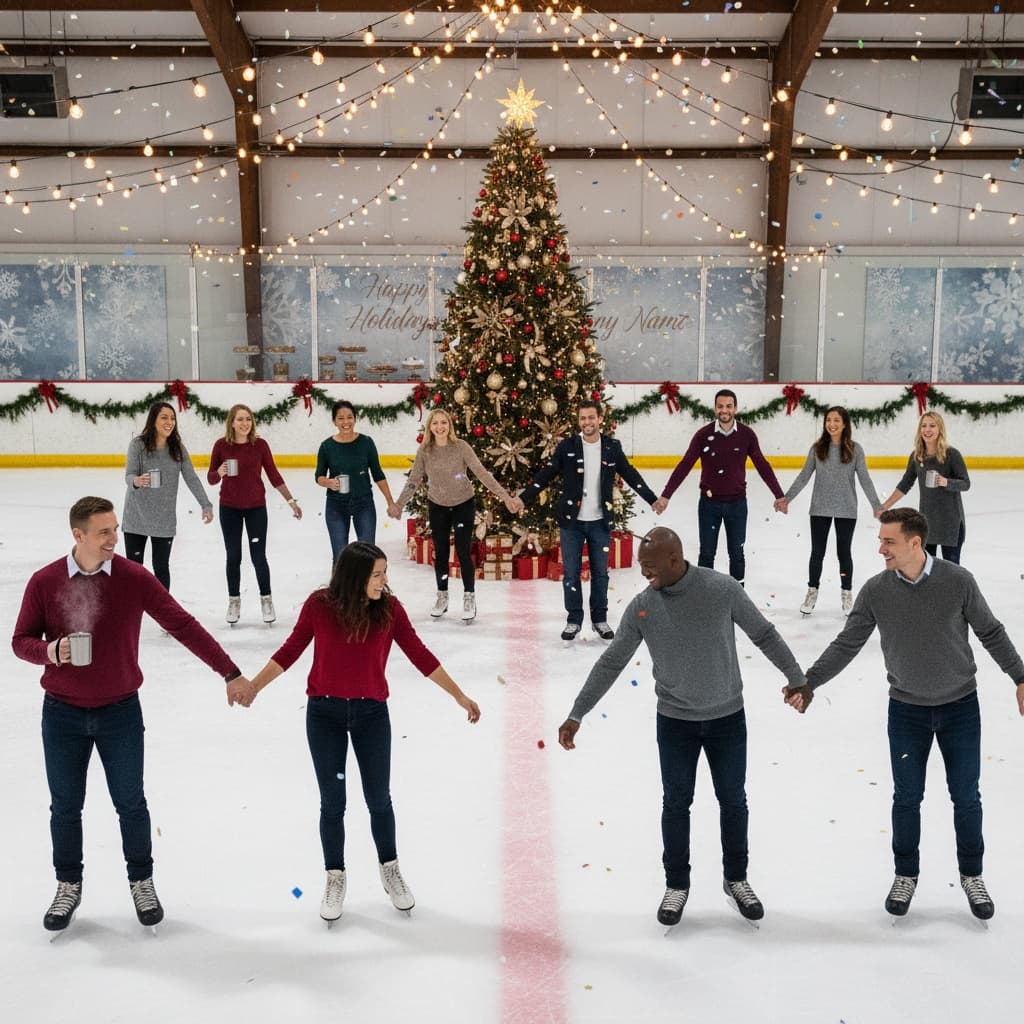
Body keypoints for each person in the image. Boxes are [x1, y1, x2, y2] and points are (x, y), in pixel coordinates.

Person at [11, 496, 253, 933]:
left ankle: (142, 881)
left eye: (115, 529)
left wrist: (229, 671)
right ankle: (68, 885)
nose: (113, 539)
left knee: (130, 803)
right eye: (103, 532)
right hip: (62, 715)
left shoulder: (133, 578)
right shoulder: (45, 582)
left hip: (120, 713)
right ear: (78, 534)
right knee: (65, 806)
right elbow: (20, 641)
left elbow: (182, 624)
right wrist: (51, 651)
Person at [558, 527, 806, 927]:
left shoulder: (721, 589)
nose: (643, 573)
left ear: (675, 560)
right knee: (675, 803)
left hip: (727, 718)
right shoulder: (643, 607)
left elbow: (763, 633)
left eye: (650, 566)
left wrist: (796, 677)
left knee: (733, 801)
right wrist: (577, 713)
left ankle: (736, 879)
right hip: (675, 723)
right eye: (641, 566)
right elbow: (612, 662)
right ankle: (676, 884)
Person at [784, 508, 1024, 921]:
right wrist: (810, 682)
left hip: (960, 708)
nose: (881, 549)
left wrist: (1020, 676)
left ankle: (972, 875)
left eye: (889, 542)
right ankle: (905, 874)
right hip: (907, 711)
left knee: (966, 796)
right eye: (881, 541)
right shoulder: (877, 591)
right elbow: (847, 643)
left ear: (915, 543)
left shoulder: (958, 581)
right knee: (907, 797)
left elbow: (991, 632)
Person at [238, 541, 480, 923]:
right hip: (324, 715)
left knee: (379, 799)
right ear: (354, 577)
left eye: (384, 573)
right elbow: (290, 650)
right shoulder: (319, 606)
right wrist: (254, 685)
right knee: (332, 803)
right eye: (377, 574)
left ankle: (390, 869)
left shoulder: (390, 610)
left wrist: (459, 695)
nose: (383, 581)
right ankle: (335, 876)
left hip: (371, 716)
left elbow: (420, 655)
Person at [519, 400, 664, 641]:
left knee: (600, 573)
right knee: (571, 574)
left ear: (600, 419)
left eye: (591, 417)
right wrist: (523, 498)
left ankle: (599, 619)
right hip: (572, 523)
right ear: (579, 421)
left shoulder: (611, 447)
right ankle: (574, 620)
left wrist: (652, 499)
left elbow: (630, 474)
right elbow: (546, 475)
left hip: (600, 522)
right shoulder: (567, 447)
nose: (587, 422)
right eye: (583, 418)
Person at [389, 408, 524, 622]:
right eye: (435, 423)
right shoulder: (425, 451)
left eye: (443, 422)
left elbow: (482, 473)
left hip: (463, 504)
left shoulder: (461, 447)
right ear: (430, 427)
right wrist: (399, 504)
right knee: (441, 552)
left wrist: (506, 497)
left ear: (449, 425)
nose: (440, 427)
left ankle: (469, 597)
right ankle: (442, 596)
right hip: (438, 506)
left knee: (463, 550)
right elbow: (414, 480)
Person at [659, 389, 784, 585]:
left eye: (728, 406)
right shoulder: (703, 435)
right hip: (709, 505)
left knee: (737, 553)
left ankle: (737, 595)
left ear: (735, 408)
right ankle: (705, 595)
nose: (724, 410)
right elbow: (685, 465)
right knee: (707, 553)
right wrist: (666, 495)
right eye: (720, 406)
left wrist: (779, 495)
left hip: (737, 505)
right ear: (715, 408)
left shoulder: (746, 435)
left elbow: (762, 465)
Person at [774, 406, 881, 616]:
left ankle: (846, 593)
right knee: (817, 553)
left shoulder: (855, 449)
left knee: (844, 553)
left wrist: (876, 505)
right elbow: (804, 476)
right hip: (820, 508)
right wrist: (787, 498)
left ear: (844, 424)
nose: (832, 424)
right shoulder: (817, 448)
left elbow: (865, 479)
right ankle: (812, 591)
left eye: (836, 420)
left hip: (846, 509)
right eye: (829, 420)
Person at [208, 403, 302, 626]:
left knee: (259, 556)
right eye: (240, 419)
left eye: (248, 419)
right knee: (233, 557)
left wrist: (291, 501)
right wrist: (219, 472)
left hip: (256, 508)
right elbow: (211, 478)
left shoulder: (260, 445)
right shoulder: (221, 446)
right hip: (229, 508)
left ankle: (266, 600)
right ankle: (234, 601)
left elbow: (273, 474)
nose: (245, 423)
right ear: (232, 422)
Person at [122, 401, 213, 591]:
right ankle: (133, 605)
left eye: (172, 418)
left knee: (161, 567)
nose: (169, 422)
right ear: (153, 420)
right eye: (164, 417)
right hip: (136, 516)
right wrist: (136, 481)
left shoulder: (177, 449)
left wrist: (205, 504)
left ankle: (163, 606)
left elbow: (191, 477)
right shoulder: (138, 445)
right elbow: (129, 475)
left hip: (164, 519)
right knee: (134, 568)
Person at [875, 411, 970, 564]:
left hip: (950, 522)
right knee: (926, 567)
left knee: (952, 570)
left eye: (932, 426)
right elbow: (905, 484)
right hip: (927, 521)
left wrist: (947, 482)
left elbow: (966, 483)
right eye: (924, 426)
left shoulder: (951, 454)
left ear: (940, 429)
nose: (927, 430)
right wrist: (885, 506)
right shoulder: (917, 456)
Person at [315, 400, 397, 567]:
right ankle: (340, 585)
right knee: (340, 556)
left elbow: (378, 474)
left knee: (368, 555)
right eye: (340, 418)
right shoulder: (326, 446)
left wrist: (390, 502)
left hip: (364, 503)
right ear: (334, 421)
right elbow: (319, 476)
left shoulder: (366, 442)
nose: (346, 422)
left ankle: (367, 584)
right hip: (336, 505)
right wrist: (328, 482)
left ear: (355, 418)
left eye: (349, 417)